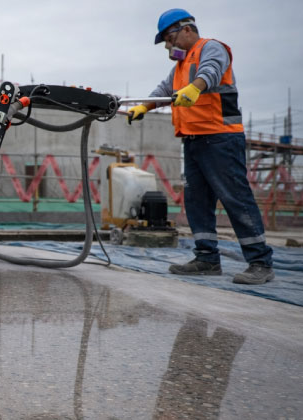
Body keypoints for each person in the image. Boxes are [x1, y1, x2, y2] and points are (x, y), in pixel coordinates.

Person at [127, 9, 274, 284]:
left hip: (221, 138)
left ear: (186, 29)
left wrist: (195, 88)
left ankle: (260, 263)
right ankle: (207, 258)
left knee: (235, 199)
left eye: (170, 39)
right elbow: (163, 91)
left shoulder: (212, 48)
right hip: (194, 140)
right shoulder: (180, 67)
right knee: (196, 201)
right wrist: (143, 106)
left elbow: (211, 72)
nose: (170, 46)